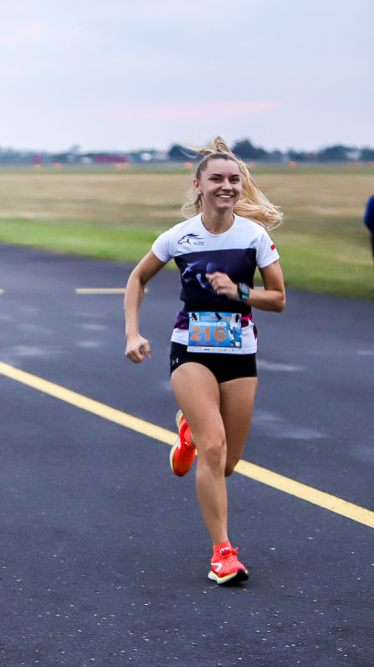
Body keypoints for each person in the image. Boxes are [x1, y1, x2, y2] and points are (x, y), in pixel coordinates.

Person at [123, 137, 286, 586]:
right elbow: (137, 278)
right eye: (216, 179)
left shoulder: (254, 237)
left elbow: (279, 299)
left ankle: (187, 432)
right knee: (214, 448)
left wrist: (241, 293)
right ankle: (223, 554)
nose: (226, 186)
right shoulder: (179, 237)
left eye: (234, 179)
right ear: (198, 185)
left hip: (239, 353)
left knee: (227, 462)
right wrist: (133, 332)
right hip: (190, 350)